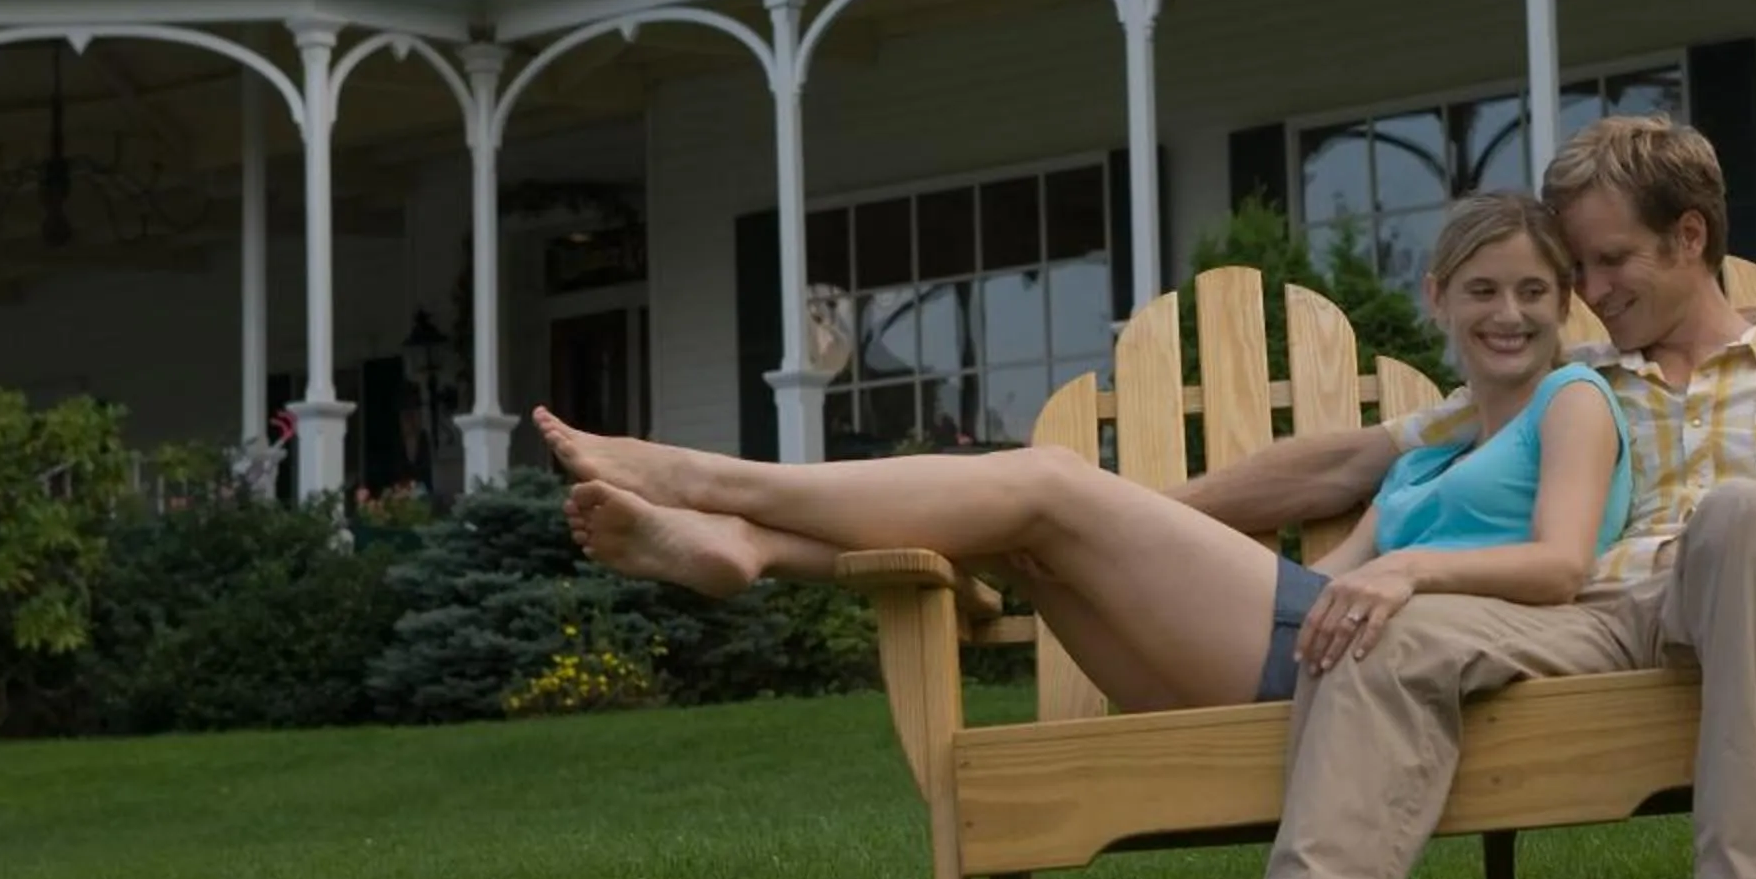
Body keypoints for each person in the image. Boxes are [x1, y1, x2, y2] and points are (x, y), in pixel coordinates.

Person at [1111, 116, 1756, 879]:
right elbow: (1347, 463)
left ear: (1689, 237)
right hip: (1595, 612)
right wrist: (1136, 522)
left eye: (1609, 262)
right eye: (1579, 270)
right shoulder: (1568, 380)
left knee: (1745, 513)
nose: (1588, 291)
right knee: (1378, 626)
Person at [545, 192, 1634, 716]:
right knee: (1034, 532)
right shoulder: (1434, 445)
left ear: (1564, 303)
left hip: (1364, 670)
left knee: (1053, 483)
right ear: (1438, 300)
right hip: (1298, 647)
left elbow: (1559, 564)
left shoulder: (1573, 399)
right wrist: (1145, 531)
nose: (1511, 314)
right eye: (1484, 290)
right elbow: (1325, 549)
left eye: (1535, 291)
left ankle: (707, 481)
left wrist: (1409, 568)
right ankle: (752, 548)